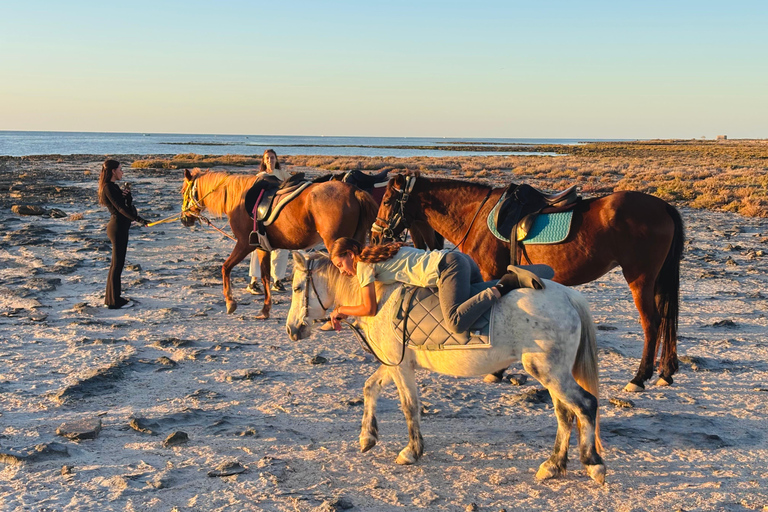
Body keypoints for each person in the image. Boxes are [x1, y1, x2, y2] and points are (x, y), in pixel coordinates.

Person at [328, 238, 533, 332]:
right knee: (477, 307)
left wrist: (340, 309)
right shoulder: (378, 253)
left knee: (456, 322)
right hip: (460, 260)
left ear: (350, 254)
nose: (342, 271)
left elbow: (369, 308)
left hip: (448, 268)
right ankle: (513, 284)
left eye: (340, 264)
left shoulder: (363, 264)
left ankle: (506, 284)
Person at [98, 159, 149, 309]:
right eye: (120, 169)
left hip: (120, 227)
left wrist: (127, 197)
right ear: (113, 171)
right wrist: (139, 220)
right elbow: (121, 210)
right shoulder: (108, 187)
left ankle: (111, 298)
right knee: (117, 265)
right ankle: (114, 301)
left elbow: (127, 207)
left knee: (116, 264)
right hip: (117, 228)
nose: (122, 172)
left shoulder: (113, 187)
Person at [245, 149, 291, 294]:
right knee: (259, 247)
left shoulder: (283, 175)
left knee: (282, 249)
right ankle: (253, 282)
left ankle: (277, 281)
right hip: (263, 217)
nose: (270, 160)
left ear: (276, 159)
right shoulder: (260, 177)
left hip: (280, 216)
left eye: (272, 157)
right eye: (267, 158)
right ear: (264, 161)